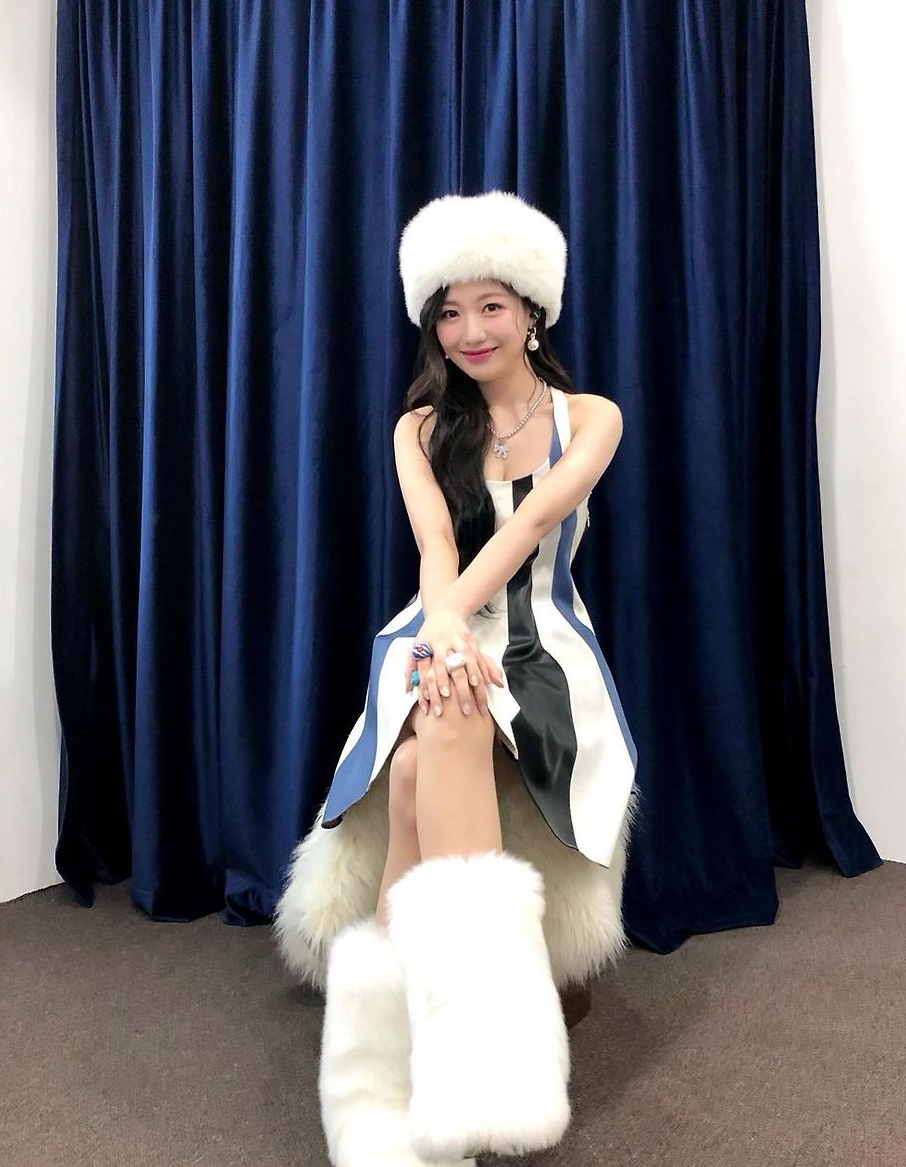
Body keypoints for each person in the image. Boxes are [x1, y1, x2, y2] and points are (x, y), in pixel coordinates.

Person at [275, 190, 640, 1167]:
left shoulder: (590, 418)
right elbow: (438, 546)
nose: (470, 330)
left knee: (420, 763)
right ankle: (465, 1081)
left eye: (491, 305)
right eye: (449, 310)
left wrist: (457, 638)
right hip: (435, 623)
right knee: (436, 725)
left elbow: (531, 527)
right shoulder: (420, 427)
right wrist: (441, 635)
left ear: (533, 310)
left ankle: (387, 1083)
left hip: (544, 643)